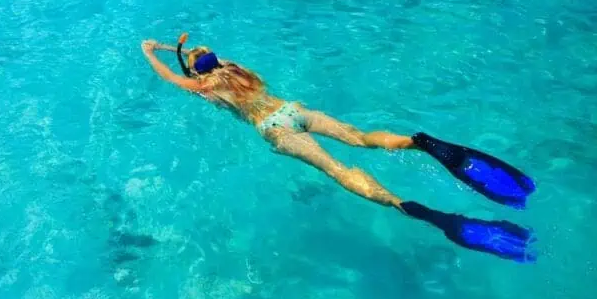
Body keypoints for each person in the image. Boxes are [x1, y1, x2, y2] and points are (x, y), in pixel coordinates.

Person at [141, 35, 537, 263]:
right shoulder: (239, 71)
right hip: (292, 109)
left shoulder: (208, 89)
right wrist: (183, 48)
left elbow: (174, 79)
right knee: (361, 137)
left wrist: (152, 53)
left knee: (338, 170)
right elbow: (210, 60)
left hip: (276, 130)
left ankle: (405, 205)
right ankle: (418, 143)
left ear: (198, 74)